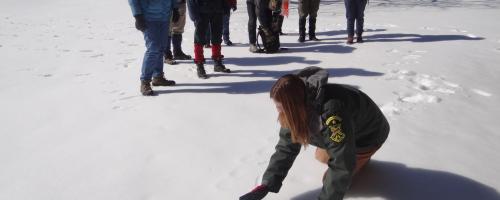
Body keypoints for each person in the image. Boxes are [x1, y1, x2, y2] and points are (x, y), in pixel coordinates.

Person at [240, 67, 390, 200]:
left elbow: (341, 164)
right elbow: (286, 148)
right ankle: (351, 156)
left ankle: (362, 157)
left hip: (368, 136)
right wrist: (267, 184)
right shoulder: (295, 107)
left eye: (280, 107)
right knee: (321, 157)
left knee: (333, 178)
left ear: (293, 106)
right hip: (347, 129)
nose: (278, 110)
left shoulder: (332, 114)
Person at [128, 0, 179, 96]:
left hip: (165, 16)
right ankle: (145, 81)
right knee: (153, 48)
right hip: (148, 18)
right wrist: (137, 16)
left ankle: (158, 77)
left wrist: (175, 8)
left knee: (161, 47)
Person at [188, 0, 234, 79]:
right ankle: (200, 65)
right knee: (199, 39)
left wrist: (226, 6)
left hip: (218, 9)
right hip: (201, 11)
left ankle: (217, 62)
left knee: (217, 37)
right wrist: (193, 14)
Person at [164, 0, 193, 65]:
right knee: (167, 30)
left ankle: (178, 52)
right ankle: (167, 55)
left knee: (178, 28)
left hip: (181, 3)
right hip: (167, 4)